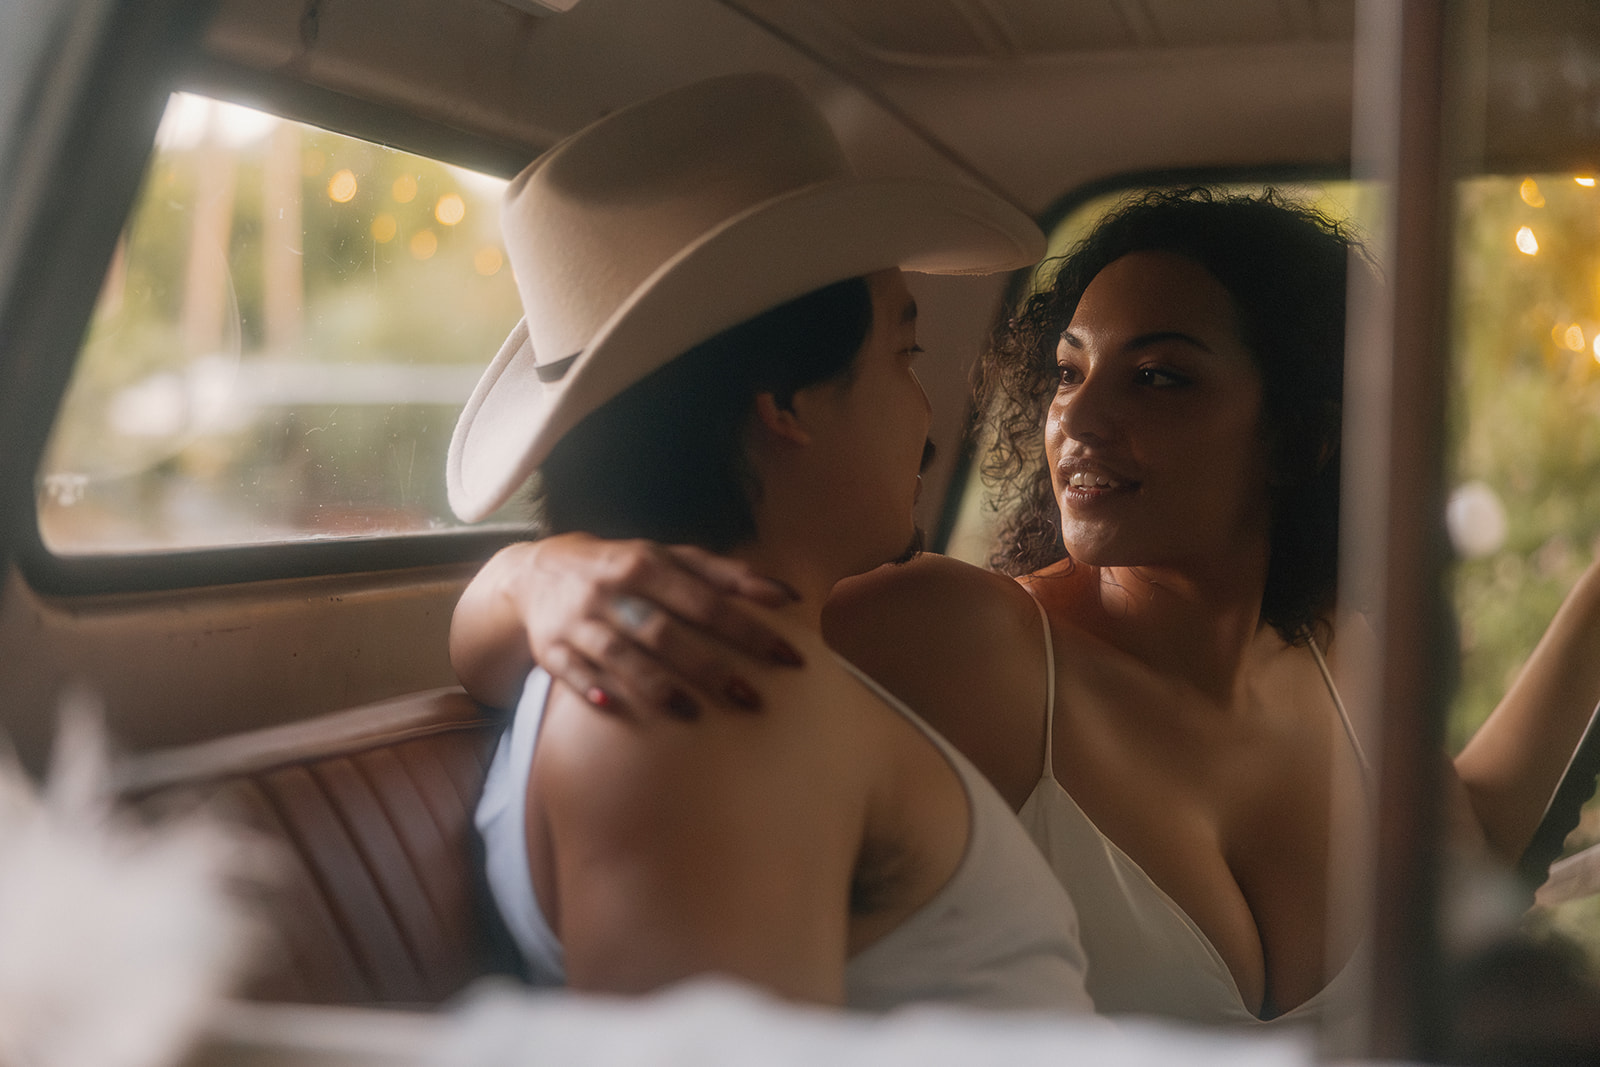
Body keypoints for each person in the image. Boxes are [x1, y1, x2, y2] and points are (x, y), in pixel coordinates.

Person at [452, 184, 1600, 1027]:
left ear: (1304, 437)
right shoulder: (969, 642)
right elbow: (666, 629)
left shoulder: (1340, 655)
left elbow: (1464, 846)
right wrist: (532, 574)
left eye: (1158, 376)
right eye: (1066, 369)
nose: (1076, 420)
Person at [452, 72, 1095, 1014]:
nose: (925, 415)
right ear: (785, 404)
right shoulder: (707, 694)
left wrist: (524, 573)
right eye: (904, 354)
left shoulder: (678, 657)